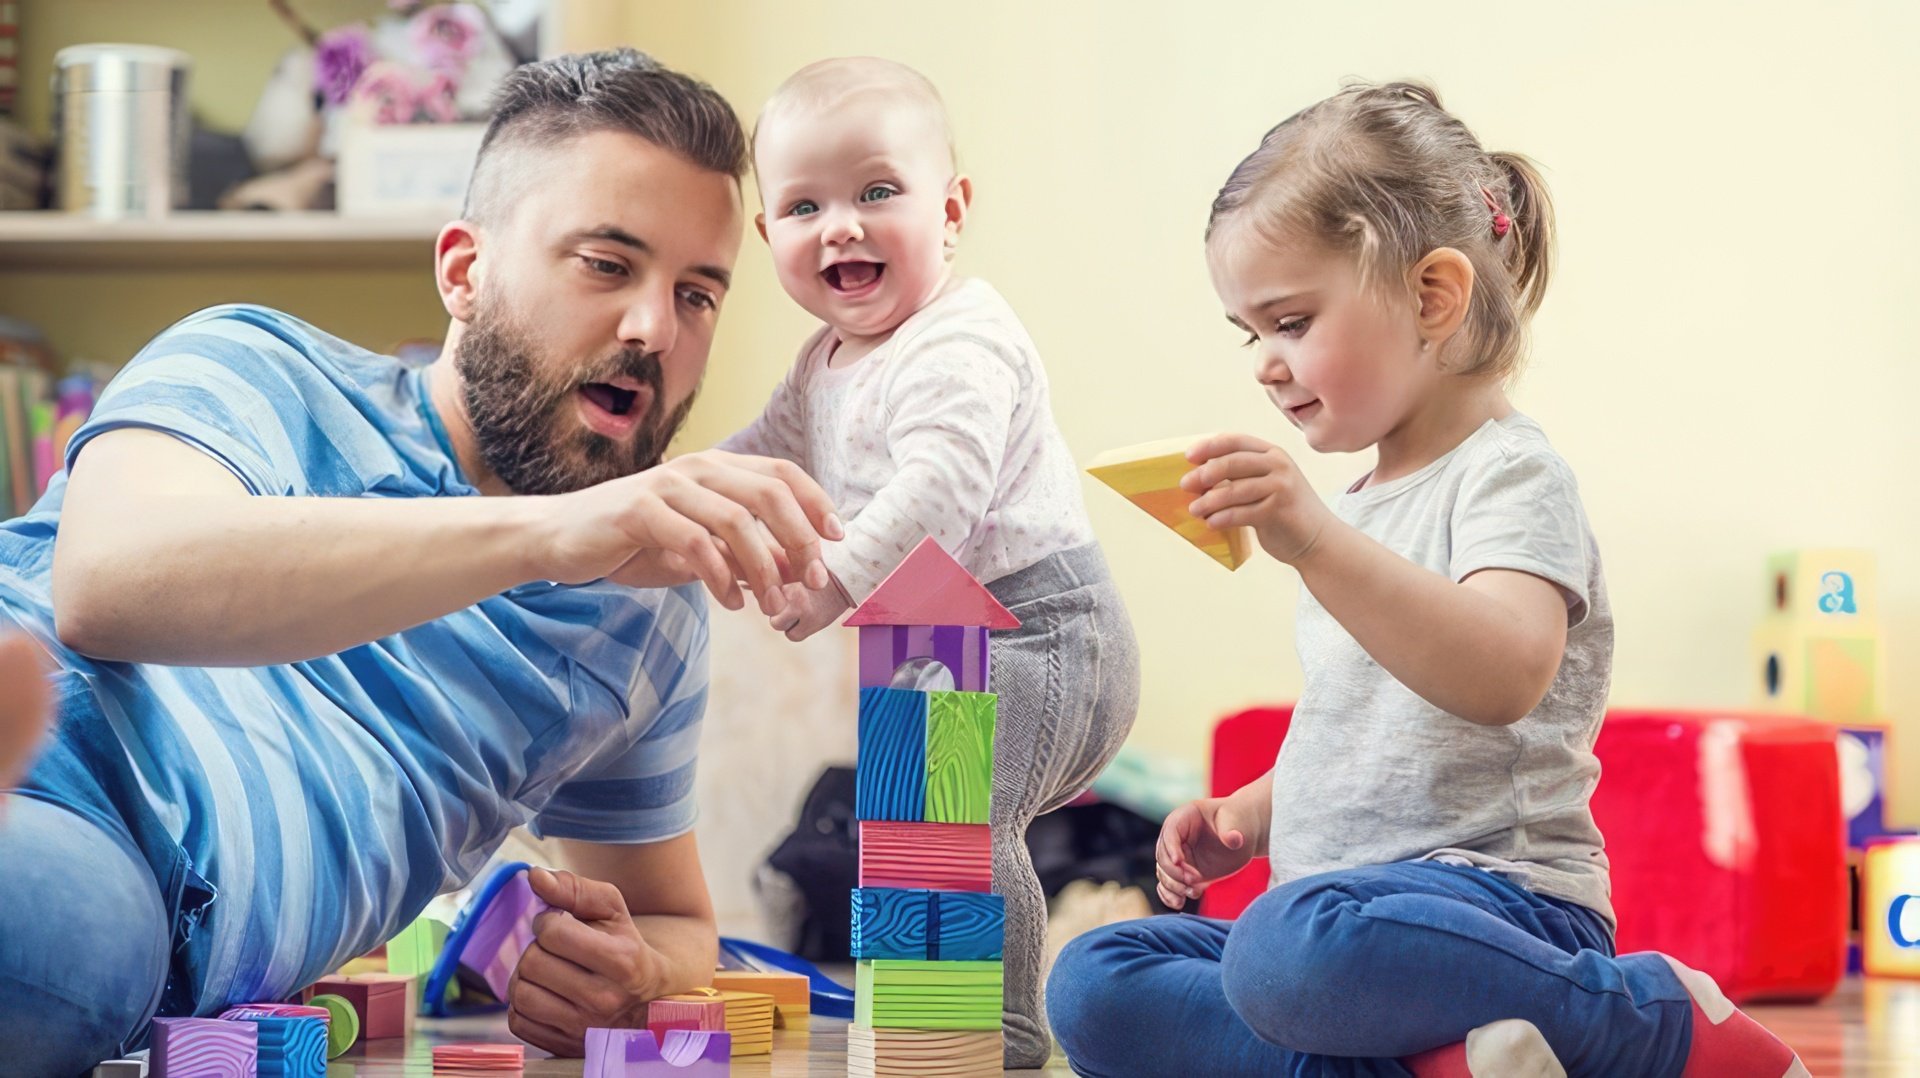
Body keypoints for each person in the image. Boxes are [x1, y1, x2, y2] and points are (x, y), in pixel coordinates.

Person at [0, 49, 844, 1075]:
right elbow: (109, 585)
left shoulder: (642, 615)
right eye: (607, 264)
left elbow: (674, 919)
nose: (651, 329)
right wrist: (547, 533)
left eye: (699, 294)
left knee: (62, 952)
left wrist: (636, 973)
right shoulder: (259, 364)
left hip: (132, 898)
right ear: (463, 270)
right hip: (46, 723)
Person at [1045, 82, 1806, 1078]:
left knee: (1286, 951)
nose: (1267, 367)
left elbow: (1502, 675)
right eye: (1250, 334)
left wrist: (1314, 538)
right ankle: (1440, 1061)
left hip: (1498, 906)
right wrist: (1251, 812)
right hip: (1350, 917)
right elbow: (1368, 728)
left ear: (1431, 295)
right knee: (1095, 977)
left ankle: (1647, 1016)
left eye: (1290, 320)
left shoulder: (1509, 473)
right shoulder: (1354, 505)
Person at [721, 57, 1140, 1067]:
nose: (843, 225)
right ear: (767, 234)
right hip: (935, 632)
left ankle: (999, 1031)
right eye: (804, 205)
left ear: (949, 210)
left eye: (878, 191)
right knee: (899, 823)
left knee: (960, 815)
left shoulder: (962, 339)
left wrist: (830, 577)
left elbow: (940, 491)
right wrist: (668, 497)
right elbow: (754, 459)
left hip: (1045, 628)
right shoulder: (821, 364)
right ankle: (917, 1020)